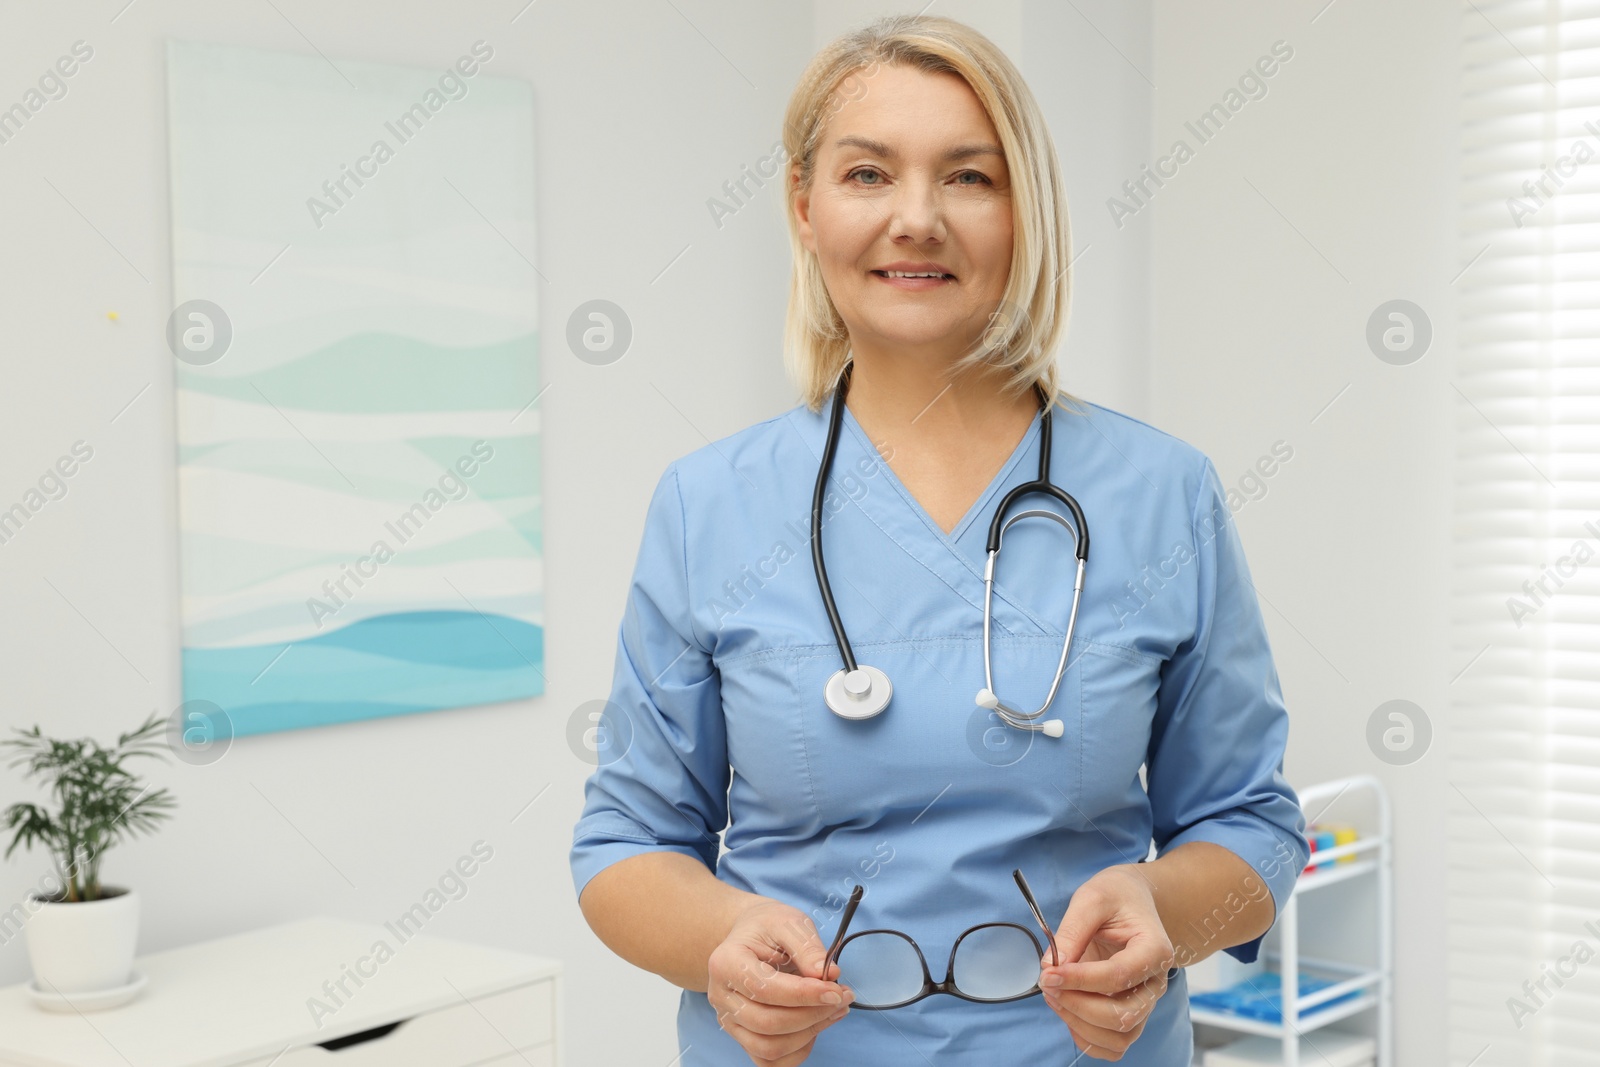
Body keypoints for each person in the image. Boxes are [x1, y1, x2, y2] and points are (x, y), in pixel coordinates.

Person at [571, 14, 1308, 1065]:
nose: (915, 219)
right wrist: (721, 937)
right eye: (867, 174)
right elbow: (626, 847)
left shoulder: (1161, 493)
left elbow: (1254, 826)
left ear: (1025, 210)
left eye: (969, 177)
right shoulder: (708, 505)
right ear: (803, 205)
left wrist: (1161, 908)